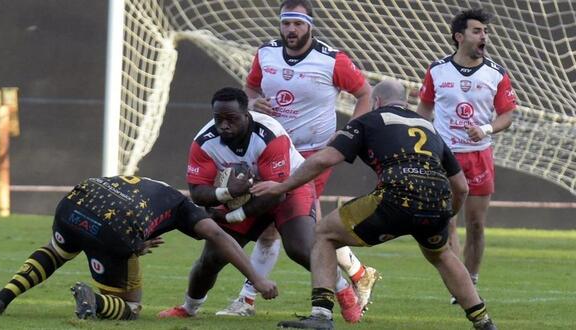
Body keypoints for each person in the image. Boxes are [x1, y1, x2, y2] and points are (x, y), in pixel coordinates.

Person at [253, 79, 497, 330]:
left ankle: (321, 316)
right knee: (442, 254)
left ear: (376, 102)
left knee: (324, 233)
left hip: (397, 196)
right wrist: (447, 214)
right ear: (405, 102)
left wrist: (282, 186)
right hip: (436, 200)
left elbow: (325, 159)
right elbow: (462, 187)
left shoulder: (368, 120)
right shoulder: (430, 127)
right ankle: (484, 322)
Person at [217, 0, 379, 318]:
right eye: (287, 23)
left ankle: (248, 300)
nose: (292, 29)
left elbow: (366, 94)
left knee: (291, 230)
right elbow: (248, 90)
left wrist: (349, 134)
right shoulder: (265, 54)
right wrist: (252, 103)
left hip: (311, 156)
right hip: (269, 152)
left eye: (298, 23)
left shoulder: (332, 60)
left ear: (310, 25)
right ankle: (359, 274)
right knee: (295, 230)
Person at [157, 87, 364, 323]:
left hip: (288, 187)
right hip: (249, 195)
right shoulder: (204, 142)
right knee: (212, 258)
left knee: (301, 248)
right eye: (219, 119)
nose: (224, 125)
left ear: (247, 115)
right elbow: (197, 192)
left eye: (231, 119)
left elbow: (276, 195)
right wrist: (226, 192)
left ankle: (343, 289)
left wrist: (231, 216)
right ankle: (189, 307)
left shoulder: (269, 134)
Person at [0, 176, 278, 320]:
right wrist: (258, 278)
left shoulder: (156, 184)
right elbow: (219, 237)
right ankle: (95, 303)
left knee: (57, 251)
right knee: (131, 308)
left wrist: (136, 240)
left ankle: (0, 299)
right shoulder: (189, 209)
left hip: (75, 202)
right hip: (115, 227)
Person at [416, 8, 516, 304]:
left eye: (485, 31)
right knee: (447, 221)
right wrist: (420, 143)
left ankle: (471, 279)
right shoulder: (437, 70)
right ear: (459, 37)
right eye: (477, 31)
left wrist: (485, 128)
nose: (483, 36)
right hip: (444, 155)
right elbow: (424, 110)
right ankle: (461, 286)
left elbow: (508, 115)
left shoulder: (496, 74)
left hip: (479, 156)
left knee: (476, 224)